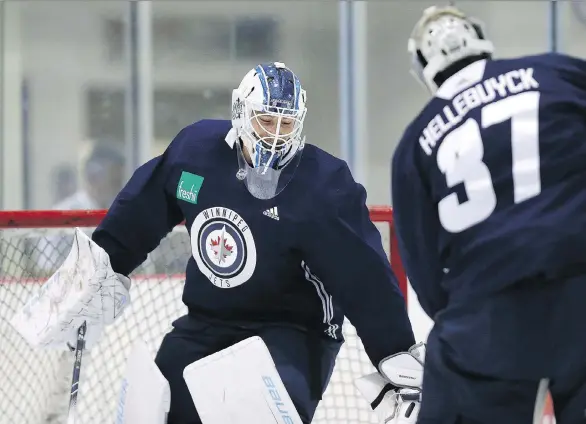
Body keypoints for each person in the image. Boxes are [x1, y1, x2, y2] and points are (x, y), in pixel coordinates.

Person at [85, 62, 416, 423]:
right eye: (265, 120)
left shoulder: (323, 186)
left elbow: (363, 278)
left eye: (285, 123)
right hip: (207, 323)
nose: (275, 135)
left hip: (292, 331)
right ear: (241, 112)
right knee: (153, 410)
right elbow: (141, 209)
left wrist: (393, 352)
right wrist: (100, 268)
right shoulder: (195, 154)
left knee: (256, 413)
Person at [391, 5, 586, 424]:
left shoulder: (414, 143)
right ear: (480, 38)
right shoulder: (558, 72)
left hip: (488, 313)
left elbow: (426, 279)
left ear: (423, 66)